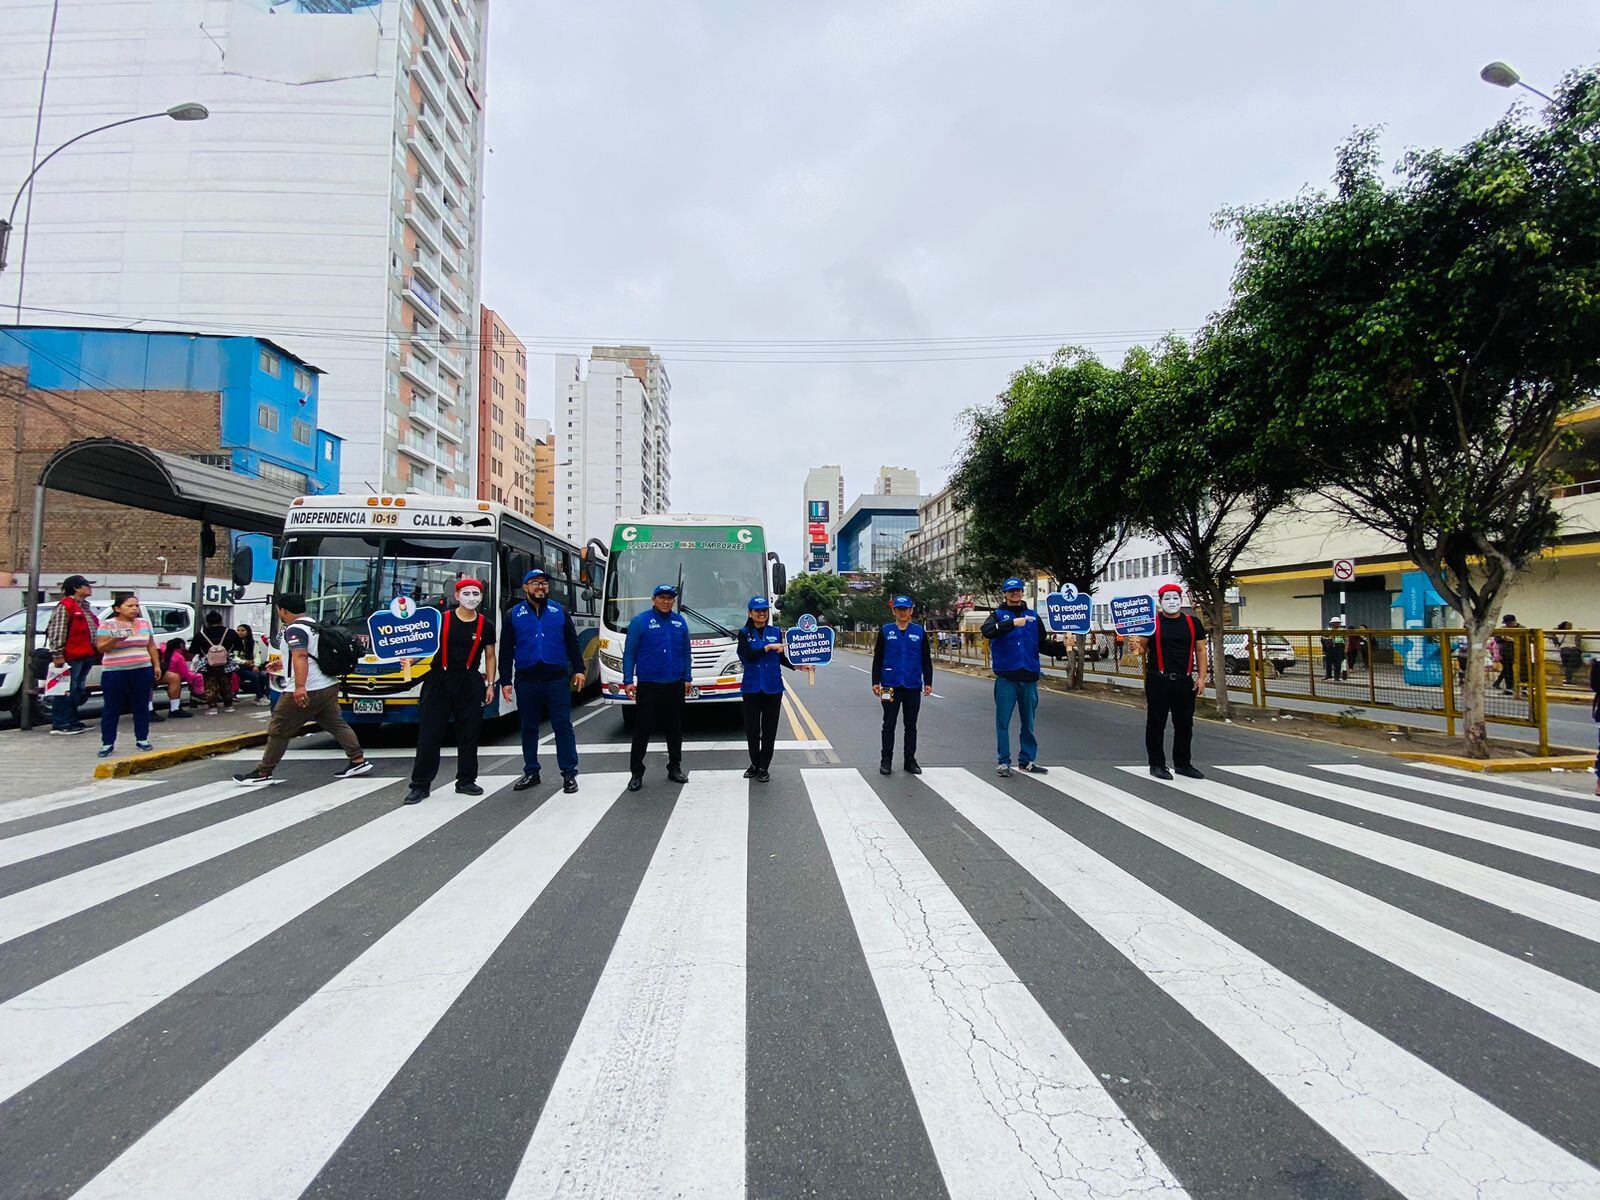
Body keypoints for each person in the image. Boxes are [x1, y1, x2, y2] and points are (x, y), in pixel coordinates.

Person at [233, 592, 371, 786]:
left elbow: (301, 656)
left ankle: (263, 772)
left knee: (279, 728)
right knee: (335, 723)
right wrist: (281, 664)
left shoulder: (295, 629)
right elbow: (309, 656)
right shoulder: (314, 626)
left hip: (309, 687)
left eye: (279, 610)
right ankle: (358, 760)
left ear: (283, 610)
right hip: (328, 684)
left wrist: (299, 687)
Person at [405, 579, 497, 804]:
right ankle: (420, 785)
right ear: (456, 596)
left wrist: (490, 684)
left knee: (469, 734)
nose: (472, 597)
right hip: (439, 681)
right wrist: (410, 660)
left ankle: (466, 780)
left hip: (469, 682)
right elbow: (423, 645)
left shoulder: (486, 624)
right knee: (429, 734)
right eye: (466, 593)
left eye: (476, 593)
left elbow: (490, 655)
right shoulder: (440, 619)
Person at [500, 568, 586, 794]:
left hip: (556, 680)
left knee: (563, 726)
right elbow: (506, 649)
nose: (541, 587)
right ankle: (531, 771)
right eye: (535, 583)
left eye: (545, 583)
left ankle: (569, 773)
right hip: (527, 680)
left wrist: (579, 669)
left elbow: (572, 642)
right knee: (528, 728)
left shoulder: (560, 611)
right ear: (526, 587)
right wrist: (505, 681)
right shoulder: (513, 615)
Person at [981, 577, 1068, 778]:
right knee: (1002, 722)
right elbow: (987, 632)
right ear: (1005, 593)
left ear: (1022, 592)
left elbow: (1042, 644)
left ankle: (1027, 760)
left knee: (1028, 722)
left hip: (1029, 676)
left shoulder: (1033, 616)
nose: (1015, 593)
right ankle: (1003, 762)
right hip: (1006, 678)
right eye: (1011, 591)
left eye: (1018, 590)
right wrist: (1011, 623)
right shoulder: (997, 615)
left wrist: (1064, 647)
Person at [622, 583, 692, 793]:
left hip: (674, 684)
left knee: (674, 730)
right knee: (642, 730)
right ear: (653, 600)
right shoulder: (640, 622)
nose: (666, 601)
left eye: (669, 598)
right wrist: (628, 681)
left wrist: (687, 678)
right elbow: (629, 654)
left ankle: (674, 767)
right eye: (661, 598)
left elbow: (685, 653)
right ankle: (636, 772)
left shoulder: (680, 622)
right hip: (649, 685)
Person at [1140, 583, 1209, 780]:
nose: (1171, 602)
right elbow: (1140, 650)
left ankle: (1183, 764)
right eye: (1167, 598)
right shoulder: (1151, 623)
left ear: (1181, 599)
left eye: (1175, 598)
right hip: (1158, 680)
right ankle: (1157, 764)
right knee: (1156, 723)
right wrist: (1134, 643)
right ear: (1160, 602)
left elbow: (1201, 650)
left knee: (1185, 724)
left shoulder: (1193, 623)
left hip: (1184, 681)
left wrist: (1202, 677)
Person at [737, 596, 810, 781]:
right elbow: (748, 656)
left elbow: (782, 656)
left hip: (773, 688)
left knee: (769, 731)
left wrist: (798, 666)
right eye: (757, 610)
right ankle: (754, 763)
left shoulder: (776, 631)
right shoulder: (744, 633)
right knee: (752, 730)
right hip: (752, 687)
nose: (762, 613)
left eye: (764, 610)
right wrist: (767, 647)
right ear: (750, 613)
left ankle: (763, 767)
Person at [94, 592, 162, 758]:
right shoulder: (107, 625)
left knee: (141, 705)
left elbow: (151, 645)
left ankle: (142, 738)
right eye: (129, 606)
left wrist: (156, 665)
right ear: (118, 608)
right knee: (112, 708)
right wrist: (116, 638)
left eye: (136, 606)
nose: (134, 609)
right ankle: (108, 742)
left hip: (141, 668)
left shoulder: (144, 623)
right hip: (115, 671)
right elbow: (101, 648)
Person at [872, 594, 934, 776]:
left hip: (912, 684)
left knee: (911, 725)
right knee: (888, 724)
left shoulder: (919, 632)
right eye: (899, 609)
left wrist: (928, 682)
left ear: (911, 611)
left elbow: (926, 660)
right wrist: (875, 681)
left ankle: (910, 760)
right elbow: (878, 658)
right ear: (894, 611)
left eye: (905, 609)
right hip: (888, 685)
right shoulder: (885, 631)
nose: (902, 612)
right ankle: (886, 760)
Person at [44, 574, 98, 735]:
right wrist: (57, 654)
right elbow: (57, 631)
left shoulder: (85, 607)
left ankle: (73, 720)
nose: (90, 588)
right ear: (76, 588)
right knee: (66, 689)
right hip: (70, 656)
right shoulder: (66, 606)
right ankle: (61, 723)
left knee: (77, 689)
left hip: (85, 654)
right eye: (86, 585)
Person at [191, 610, 244, 715]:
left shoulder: (200, 635)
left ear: (207, 622)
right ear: (221, 620)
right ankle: (228, 706)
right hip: (226, 663)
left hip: (208, 664)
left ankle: (212, 708)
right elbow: (239, 646)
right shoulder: (230, 632)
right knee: (226, 684)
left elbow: (193, 650)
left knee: (210, 685)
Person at [157, 638, 200, 719]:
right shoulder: (179, 657)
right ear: (181, 645)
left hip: (164, 673)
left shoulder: (165, 653)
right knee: (194, 677)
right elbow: (184, 671)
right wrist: (190, 681)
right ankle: (198, 693)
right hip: (177, 675)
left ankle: (174, 708)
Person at [233, 624, 271, 702]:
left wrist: (256, 665)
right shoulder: (234, 643)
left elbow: (257, 655)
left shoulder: (253, 643)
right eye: (238, 630)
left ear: (248, 632)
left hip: (251, 665)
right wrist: (244, 662)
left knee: (263, 675)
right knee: (253, 676)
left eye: (243, 630)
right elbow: (233, 657)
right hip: (238, 666)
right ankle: (260, 697)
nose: (240, 632)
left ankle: (265, 695)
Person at [1494, 615, 1524, 695]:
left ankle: (1523, 688)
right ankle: (1509, 688)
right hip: (1506, 653)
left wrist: (1513, 640)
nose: (1507, 625)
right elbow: (1497, 639)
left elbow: (1525, 641)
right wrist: (1503, 638)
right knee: (1507, 671)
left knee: (1522, 671)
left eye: (1508, 623)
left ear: (1513, 622)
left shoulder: (1522, 629)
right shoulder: (1502, 629)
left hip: (1520, 654)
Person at [1551, 621, 1583, 687]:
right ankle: (1568, 680)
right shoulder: (1572, 633)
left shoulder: (1559, 633)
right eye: (1570, 625)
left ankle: (1567, 680)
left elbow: (1553, 634)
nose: (1571, 627)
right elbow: (1581, 633)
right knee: (1571, 665)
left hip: (1564, 650)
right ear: (1565, 626)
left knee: (1568, 665)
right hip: (1572, 650)